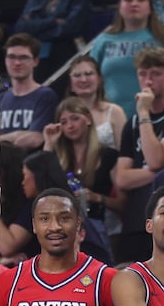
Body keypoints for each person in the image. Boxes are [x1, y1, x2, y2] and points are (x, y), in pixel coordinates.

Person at [113, 46, 164, 264]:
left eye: (156, 74)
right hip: (136, 218)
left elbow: (155, 159)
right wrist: (162, 171)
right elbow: (122, 178)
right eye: (143, 74)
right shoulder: (132, 123)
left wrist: (143, 112)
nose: (148, 81)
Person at [43, 97, 124, 247]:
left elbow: (123, 204)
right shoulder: (58, 159)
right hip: (65, 231)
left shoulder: (108, 155)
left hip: (102, 228)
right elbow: (41, 187)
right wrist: (49, 143)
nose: (70, 126)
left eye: (75, 118)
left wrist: (96, 197)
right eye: (64, 122)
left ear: (88, 119)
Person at [88, 0, 164, 120]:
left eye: (140, 0)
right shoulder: (104, 40)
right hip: (110, 118)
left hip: (155, 116)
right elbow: (90, 78)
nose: (134, 4)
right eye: (128, 0)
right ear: (119, 7)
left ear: (150, 8)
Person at [0, 33, 59, 154]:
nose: (17, 63)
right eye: (11, 57)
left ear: (35, 61)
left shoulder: (45, 96)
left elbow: (35, 139)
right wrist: (16, 135)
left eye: (23, 57)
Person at [14, 0, 92, 80]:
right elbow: (21, 27)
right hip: (38, 50)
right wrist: (53, 21)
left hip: (66, 47)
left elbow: (70, 27)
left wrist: (36, 30)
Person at [66, 56, 126, 150]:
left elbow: (125, 155)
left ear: (99, 79)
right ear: (70, 83)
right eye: (77, 75)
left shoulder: (115, 112)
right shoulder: (64, 114)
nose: (83, 80)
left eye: (89, 74)